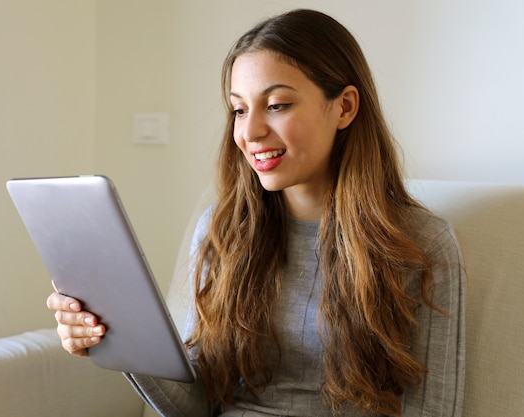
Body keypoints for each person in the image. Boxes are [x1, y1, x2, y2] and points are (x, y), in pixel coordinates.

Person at [47, 8, 465, 417]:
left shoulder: (421, 242)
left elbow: (433, 408)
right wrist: (118, 332)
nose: (249, 133)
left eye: (277, 104)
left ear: (345, 107)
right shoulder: (223, 229)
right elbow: (198, 402)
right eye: (239, 109)